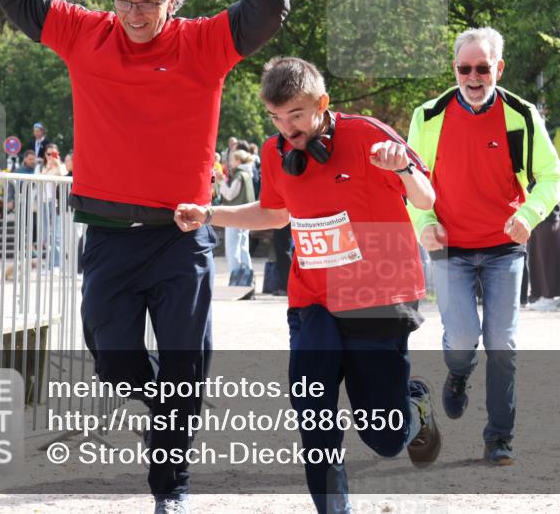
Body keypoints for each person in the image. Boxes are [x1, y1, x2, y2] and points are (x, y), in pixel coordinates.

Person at [0, 0, 288, 512]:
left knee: (185, 366)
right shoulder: (84, 33)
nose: (135, 13)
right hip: (107, 236)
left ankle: (170, 488)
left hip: (180, 235)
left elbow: (266, 9)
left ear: (172, 3)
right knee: (116, 362)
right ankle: (168, 409)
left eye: (149, 1)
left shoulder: (204, 43)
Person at [175, 57, 441, 514]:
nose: (286, 128)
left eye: (295, 116)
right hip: (311, 300)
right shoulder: (277, 152)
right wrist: (211, 214)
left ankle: (412, 406)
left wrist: (401, 170)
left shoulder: (367, 135)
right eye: (276, 118)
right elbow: (276, 212)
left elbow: (426, 197)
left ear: (322, 104)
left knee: (384, 438)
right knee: (313, 416)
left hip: (375, 296)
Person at [407, 27, 560, 466]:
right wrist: (424, 222)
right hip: (450, 248)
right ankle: (458, 373)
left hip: (503, 248)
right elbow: (407, 180)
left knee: (503, 344)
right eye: (464, 68)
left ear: (499, 67)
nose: (473, 77)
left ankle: (499, 438)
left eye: (482, 67)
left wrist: (527, 215)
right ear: (454, 68)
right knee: (461, 340)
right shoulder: (429, 115)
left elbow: (551, 178)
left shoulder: (522, 114)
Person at [219, 149, 256, 286]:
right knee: (243, 247)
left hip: (235, 215)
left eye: (232, 160)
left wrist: (221, 182)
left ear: (239, 161)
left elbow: (229, 195)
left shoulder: (239, 175)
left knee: (232, 248)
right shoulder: (248, 174)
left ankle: (236, 279)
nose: (230, 162)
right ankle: (247, 279)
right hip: (246, 216)